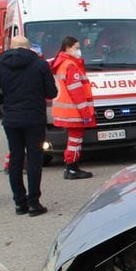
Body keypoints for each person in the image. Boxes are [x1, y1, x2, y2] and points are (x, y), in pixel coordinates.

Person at [0, 36, 58, 216]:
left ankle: (19, 204)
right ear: (29, 48)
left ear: (11, 47)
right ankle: (34, 203)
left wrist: (3, 100)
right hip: (34, 118)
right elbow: (52, 92)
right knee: (34, 159)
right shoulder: (40, 65)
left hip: (12, 119)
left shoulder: (0, 65)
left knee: (16, 159)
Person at [50, 36, 96, 178]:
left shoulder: (60, 63)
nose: (79, 51)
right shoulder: (70, 65)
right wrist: (86, 114)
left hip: (65, 110)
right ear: (68, 48)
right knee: (75, 140)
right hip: (74, 111)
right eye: (76, 48)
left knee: (73, 140)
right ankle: (72, 168)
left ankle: (71, 167)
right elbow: (77, 93)